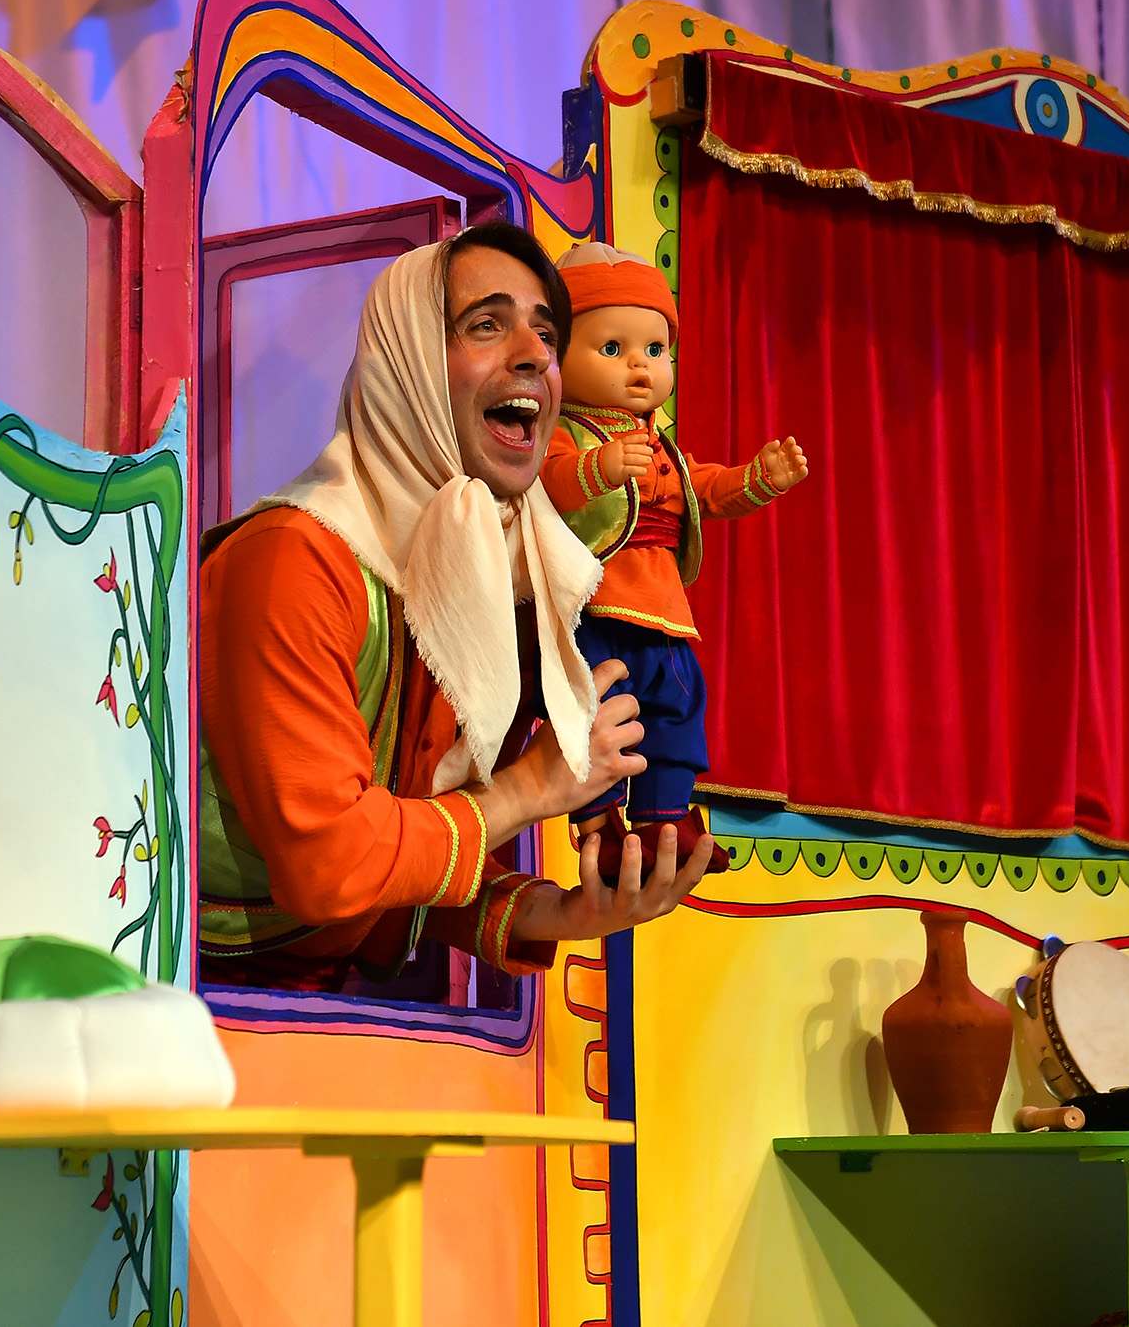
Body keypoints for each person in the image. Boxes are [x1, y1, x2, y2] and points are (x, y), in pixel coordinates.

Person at [196, 224, 715, 992]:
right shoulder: (295, 561)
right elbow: (332, 863)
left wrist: (559, 912)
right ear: (404, 363)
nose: (534, 354)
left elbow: (410, 841)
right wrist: (531, 788)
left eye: (548, 333)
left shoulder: (490, 576)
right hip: (188, 999)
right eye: (487, 324)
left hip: (318, 1008)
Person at [538, 243, 809, 880]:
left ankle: (666, 821)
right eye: (613, 348)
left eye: (655, 350)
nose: (640, 365)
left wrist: (758, 479)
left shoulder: (663, 448)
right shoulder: (563, 432)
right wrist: (599, 468)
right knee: (598, 718)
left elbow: (706, 488)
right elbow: (548, 484)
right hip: (595, 609)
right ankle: (599, 828)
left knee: (678, 712)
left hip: (664, 614)